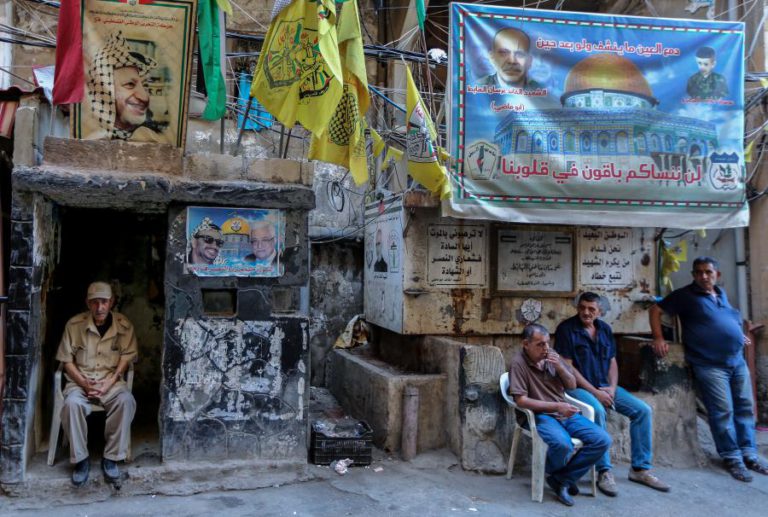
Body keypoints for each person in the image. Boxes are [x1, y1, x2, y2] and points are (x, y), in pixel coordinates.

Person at [649, 256, 768, 482]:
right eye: (699, 272)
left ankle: (749, 454)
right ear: (693, 275)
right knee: (723, 411)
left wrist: (737, 334)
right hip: (710, 364)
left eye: (708, 272)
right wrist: (658, 337)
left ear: (717, 275)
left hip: (736, 361)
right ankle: (732, 457)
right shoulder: (685, 295)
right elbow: (655, 310)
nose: (703, 276)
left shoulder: (721, 294)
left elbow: (726, 317)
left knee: (745, 407)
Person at [555, 292, 670, 496]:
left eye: (591, 309)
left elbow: (612, 362)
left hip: (605, 387)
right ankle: (604, 471)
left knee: (642, 411)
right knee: (597, 410)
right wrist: (595, 392)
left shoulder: (605, 330)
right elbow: (568, 368)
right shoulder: (566, 329)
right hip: (577, 389)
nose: (586, 312)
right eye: (582, 308)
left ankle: (640, 469)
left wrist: (612, 387)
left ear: (600, 311)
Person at [508, 323, 611, 506]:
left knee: (602, 440)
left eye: (547, 343)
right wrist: (556, 406)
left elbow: (571, 385)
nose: (545, 348)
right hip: (540, 415)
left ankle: (562, 479)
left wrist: (560, 367)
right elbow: (521, 401)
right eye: (540, 344)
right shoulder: (518, 363)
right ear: (526, 344)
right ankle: (562, 479)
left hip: (564, 413)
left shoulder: (552, 356)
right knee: (563, 445)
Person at [55, 282, 137, 486]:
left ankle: (111, 457)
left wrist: (110, 381)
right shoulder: (74, 325)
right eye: (94, 302)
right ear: (87, 303)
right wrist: (83, 383)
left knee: (126, 401)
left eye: (104, 302)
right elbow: (66, 361)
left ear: (112, 302)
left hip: (110, 382)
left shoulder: (124, 325)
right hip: (79, 382)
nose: (100, 307)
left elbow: (127, 357)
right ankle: (81, 460)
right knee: (72, 405)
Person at [85, 31, 170, 143]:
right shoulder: (89, 141)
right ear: (105, 91)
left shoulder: (153, 138)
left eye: (145, 85)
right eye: (130, 84)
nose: (144, 97)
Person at [476, 28, 543, 90]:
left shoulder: (541, 90)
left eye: (520, 54)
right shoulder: (477, 87)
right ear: (492, 58)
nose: (512, 61)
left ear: (529, 61)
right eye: (503, 53)